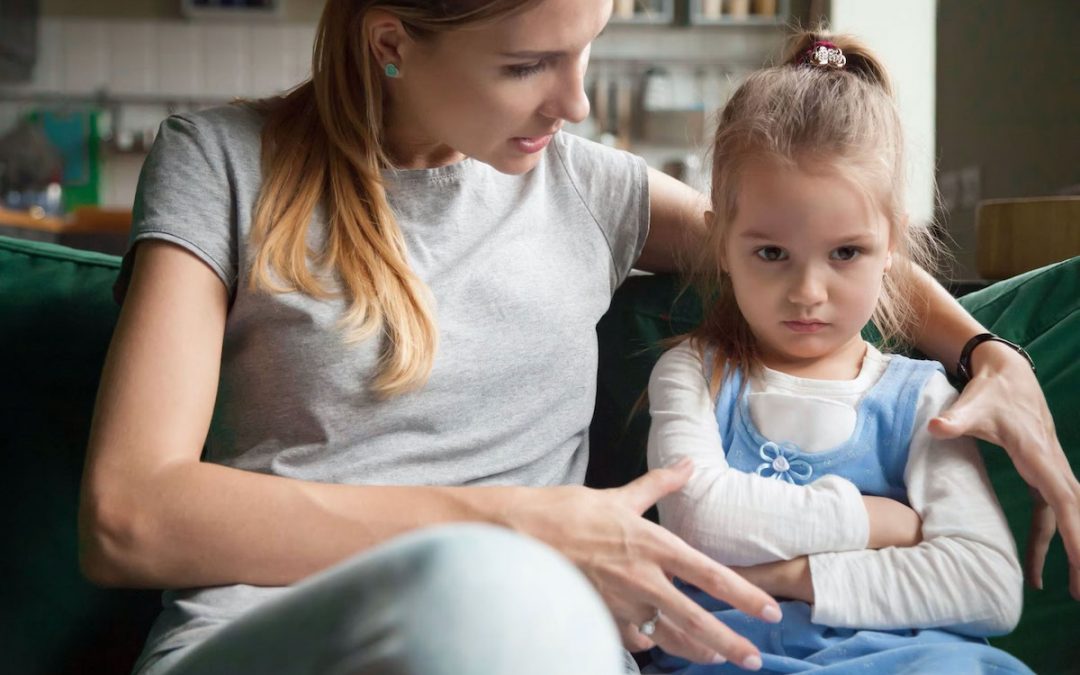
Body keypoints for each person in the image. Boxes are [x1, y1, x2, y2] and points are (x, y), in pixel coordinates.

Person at [75, 1, 1076, 674]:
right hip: (286, 634)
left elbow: (821, 239)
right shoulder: (221, 163)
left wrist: (987, 354)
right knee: (484, 588)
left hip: (546, 641)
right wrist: (511, 524)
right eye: (528, 65)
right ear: (391, 42)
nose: (578, 101)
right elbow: (129, 513)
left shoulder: (586, 187)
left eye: (587, 45)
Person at [645, 32, 1039, 674]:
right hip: (734, 656)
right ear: (720, 242)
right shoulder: (695, 372)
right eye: (771, 253)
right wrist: (880, 523)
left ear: (892, 247)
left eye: (845, 253)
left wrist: (793, 574)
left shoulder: (923, 399)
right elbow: (700, 519)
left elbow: (989, 586)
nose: (807, 292)